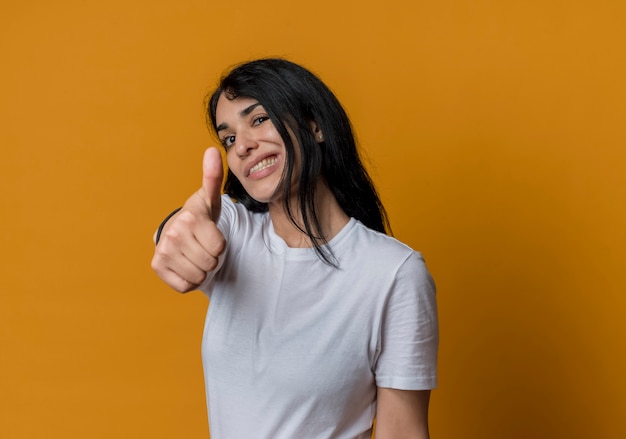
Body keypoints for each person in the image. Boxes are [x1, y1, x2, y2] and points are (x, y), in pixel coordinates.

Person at [151, 58, 439, 439]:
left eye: (258, 119)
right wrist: (175, 230)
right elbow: (190, 225)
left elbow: (402, 433)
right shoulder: (235, 235)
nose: (243, 147)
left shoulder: (394, 273)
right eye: (229, 139)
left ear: (314, 126)